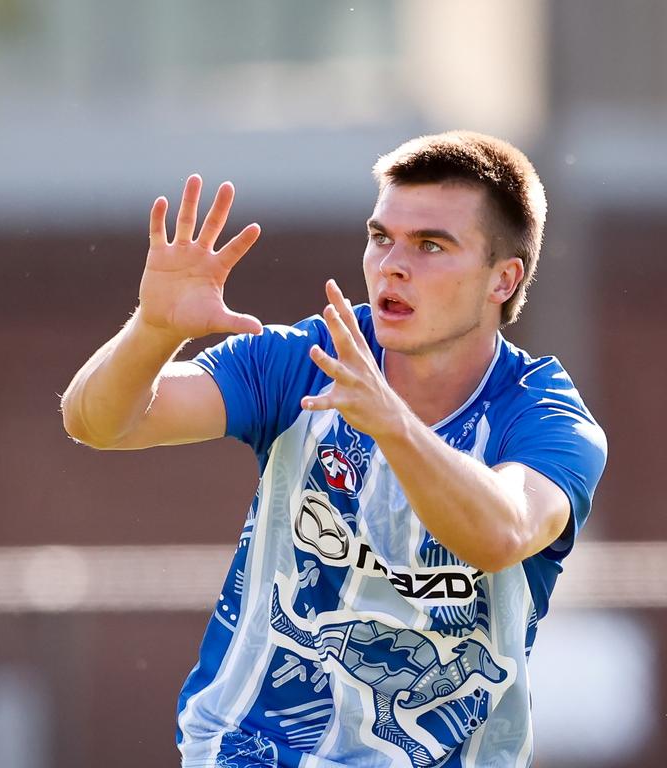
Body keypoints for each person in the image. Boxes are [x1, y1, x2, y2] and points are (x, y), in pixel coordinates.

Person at [61, 132, 607, 767]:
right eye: (381, 238)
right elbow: (100, 423)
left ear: (502, 279)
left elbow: (501, 532)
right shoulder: (308, 359)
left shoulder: (545, 416)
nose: (392, 265)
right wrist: (150, 332)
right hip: (249, 754)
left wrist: (393, 424)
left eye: (431, 245)